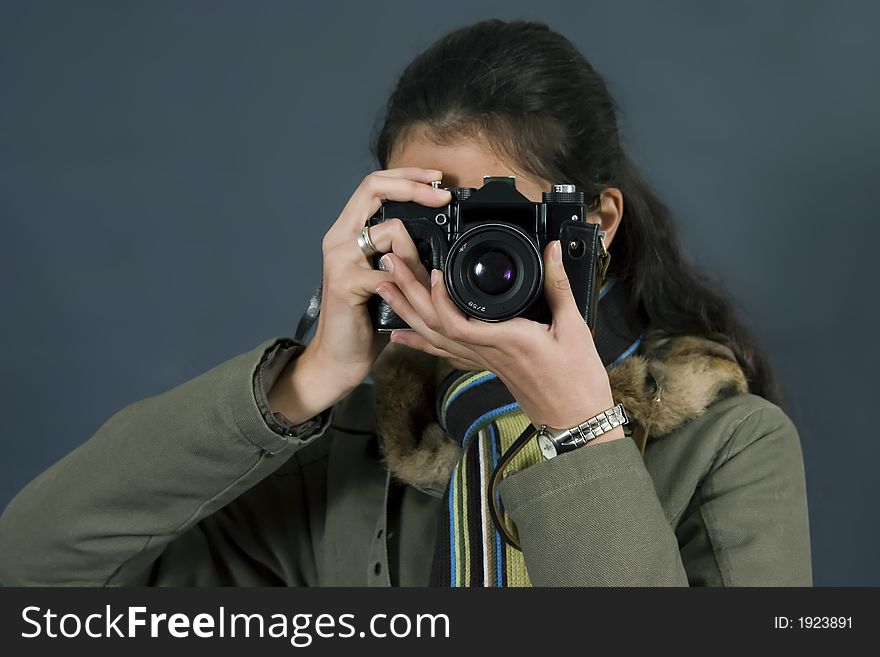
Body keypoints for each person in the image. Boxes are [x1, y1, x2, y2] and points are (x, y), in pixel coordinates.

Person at [0, 19, 811, 587]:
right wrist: (307, 378)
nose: (470, 263)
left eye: (503, 226)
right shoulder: (352, 462)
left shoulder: (726, 447)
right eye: (437, 223)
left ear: (594, 222)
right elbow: (31, 572)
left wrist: (582, 431)